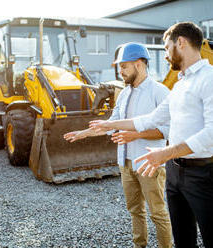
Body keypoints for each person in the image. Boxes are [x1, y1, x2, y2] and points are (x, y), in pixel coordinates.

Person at [89, 22, 213, 248]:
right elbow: (150, 119)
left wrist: (165, 152)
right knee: (184, 238)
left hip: (203, 173)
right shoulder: (180, 85)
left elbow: (211, 134)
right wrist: (108, 125)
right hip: (176, 172)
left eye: (166, 48)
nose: (166, 55)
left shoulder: (209, 79)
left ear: (181, 43)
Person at [64, 42, 172, 248]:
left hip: (149, 163)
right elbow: (111, 124)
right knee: (135, 211)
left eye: (124, 66)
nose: (120, 71)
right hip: (125, 163)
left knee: (158, 213)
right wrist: (83, 134)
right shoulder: (123, 94)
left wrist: (134, 135)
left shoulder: (160, 92)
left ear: (139, 64)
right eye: (119, 67)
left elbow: (166, 132)